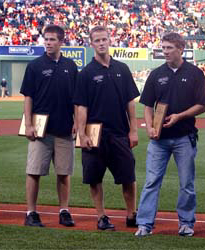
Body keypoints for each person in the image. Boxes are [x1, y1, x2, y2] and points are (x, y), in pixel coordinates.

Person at [135, 32, 205, 237]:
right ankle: (144, 224)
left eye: (169, 48)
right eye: (163, 48)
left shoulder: (195, 73)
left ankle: (186, 223)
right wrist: (150, 127)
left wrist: (180, 116)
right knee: (151, 181)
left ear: (180, 48)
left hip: (184, 137)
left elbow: (203, 105)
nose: (165, 52)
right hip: (159, 140)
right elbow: (147, 106)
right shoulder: (156, 73)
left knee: (186, 183)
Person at [74, 26, 139, 231]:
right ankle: (101, 216)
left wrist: (134, 130)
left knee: (128, 176)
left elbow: (131, 102)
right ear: (91, 43)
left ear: (109, 40)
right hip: (95, 134)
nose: (101, 43)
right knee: (95, 178)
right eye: (97, 40)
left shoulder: (122, 69)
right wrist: (82, 133)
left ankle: (132, 214)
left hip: (120, 132)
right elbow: (81, 106)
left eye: (104, 39)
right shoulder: (86, 73)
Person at [20, 25, 78, 227]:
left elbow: (76, 99)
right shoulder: (35, 66)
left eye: (53, 39)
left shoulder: (70, 66)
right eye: (46, 39)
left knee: (64, 173)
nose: (48, 43)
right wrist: (27, 124)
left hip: (64, 128)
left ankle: (64, 210)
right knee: (34, 171)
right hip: (40, 130)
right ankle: (31, 213)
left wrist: (77, 122)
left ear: (62, 42)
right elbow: (28, 97)